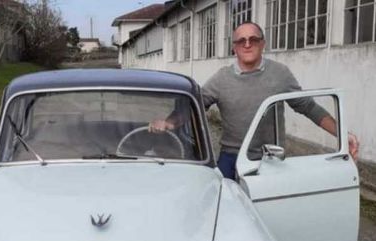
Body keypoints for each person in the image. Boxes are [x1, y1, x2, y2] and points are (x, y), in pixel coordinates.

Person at [149, 21, 360, 179]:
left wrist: (343, 134)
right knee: (224, 206)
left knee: (270, 212)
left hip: (271, 159)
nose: (247, 44)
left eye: (253, 39)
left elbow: (308, 107)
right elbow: (195, 106)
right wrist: (168, 122)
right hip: (231, 157)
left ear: (263, 44)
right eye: (241, 41)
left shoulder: (280, 74)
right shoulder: (221, 79)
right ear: (234, 47)